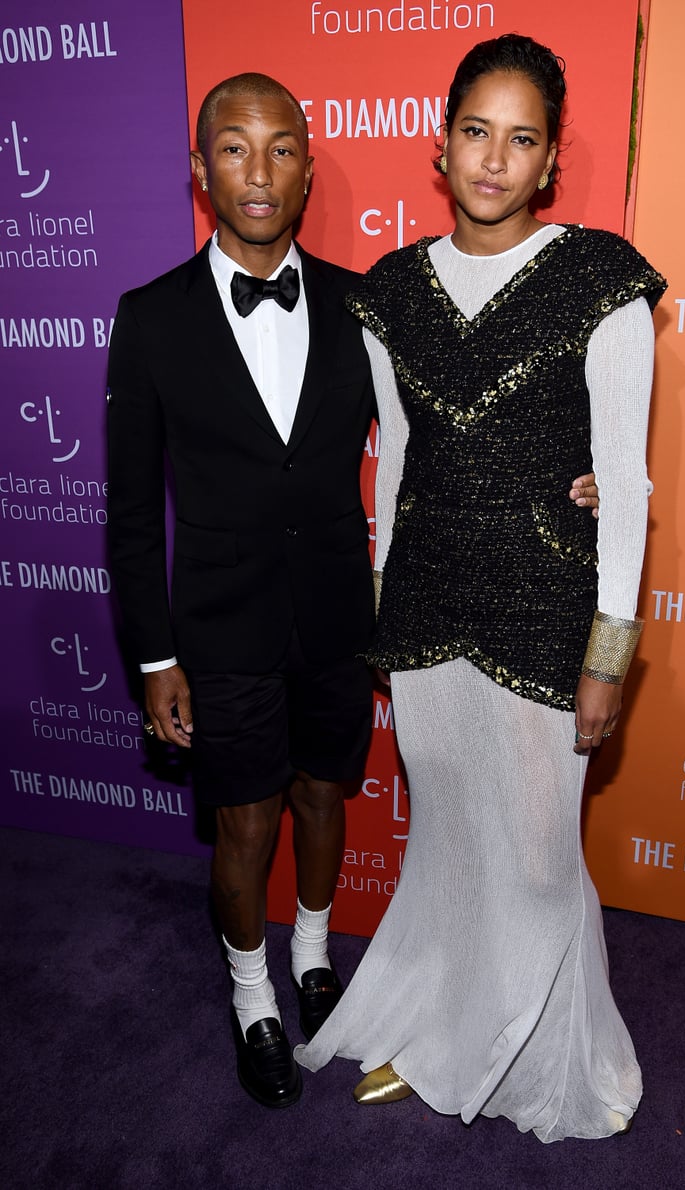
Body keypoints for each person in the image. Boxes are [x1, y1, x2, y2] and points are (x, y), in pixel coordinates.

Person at [296, 34, 666, 1142]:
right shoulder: (393, 292)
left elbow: (631, 486)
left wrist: (610, 653)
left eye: (522, 139)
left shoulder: (604, 278)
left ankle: (541, 1056)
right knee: (452, 839)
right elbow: (397, 462)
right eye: (475, 131)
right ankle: (446, 1027)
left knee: (544, 858)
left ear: (550, 160)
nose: (495, 159)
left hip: (549, 612)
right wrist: (379, 605)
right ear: (439, 142)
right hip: (424, 612)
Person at [106, 73, 377, 1111]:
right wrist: (155, 656)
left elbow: (436, 446)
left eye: (279, 149)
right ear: (199, 170)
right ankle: (253, 993)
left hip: (336, 615)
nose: (258, 171)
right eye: (233, 147)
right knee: (245, 823)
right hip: (218, 627)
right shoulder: (150, 319)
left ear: (307, 168)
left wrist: (569, 482)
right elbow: (131, 513)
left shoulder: (362, 306)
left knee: (321, 794)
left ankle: (312, 951)